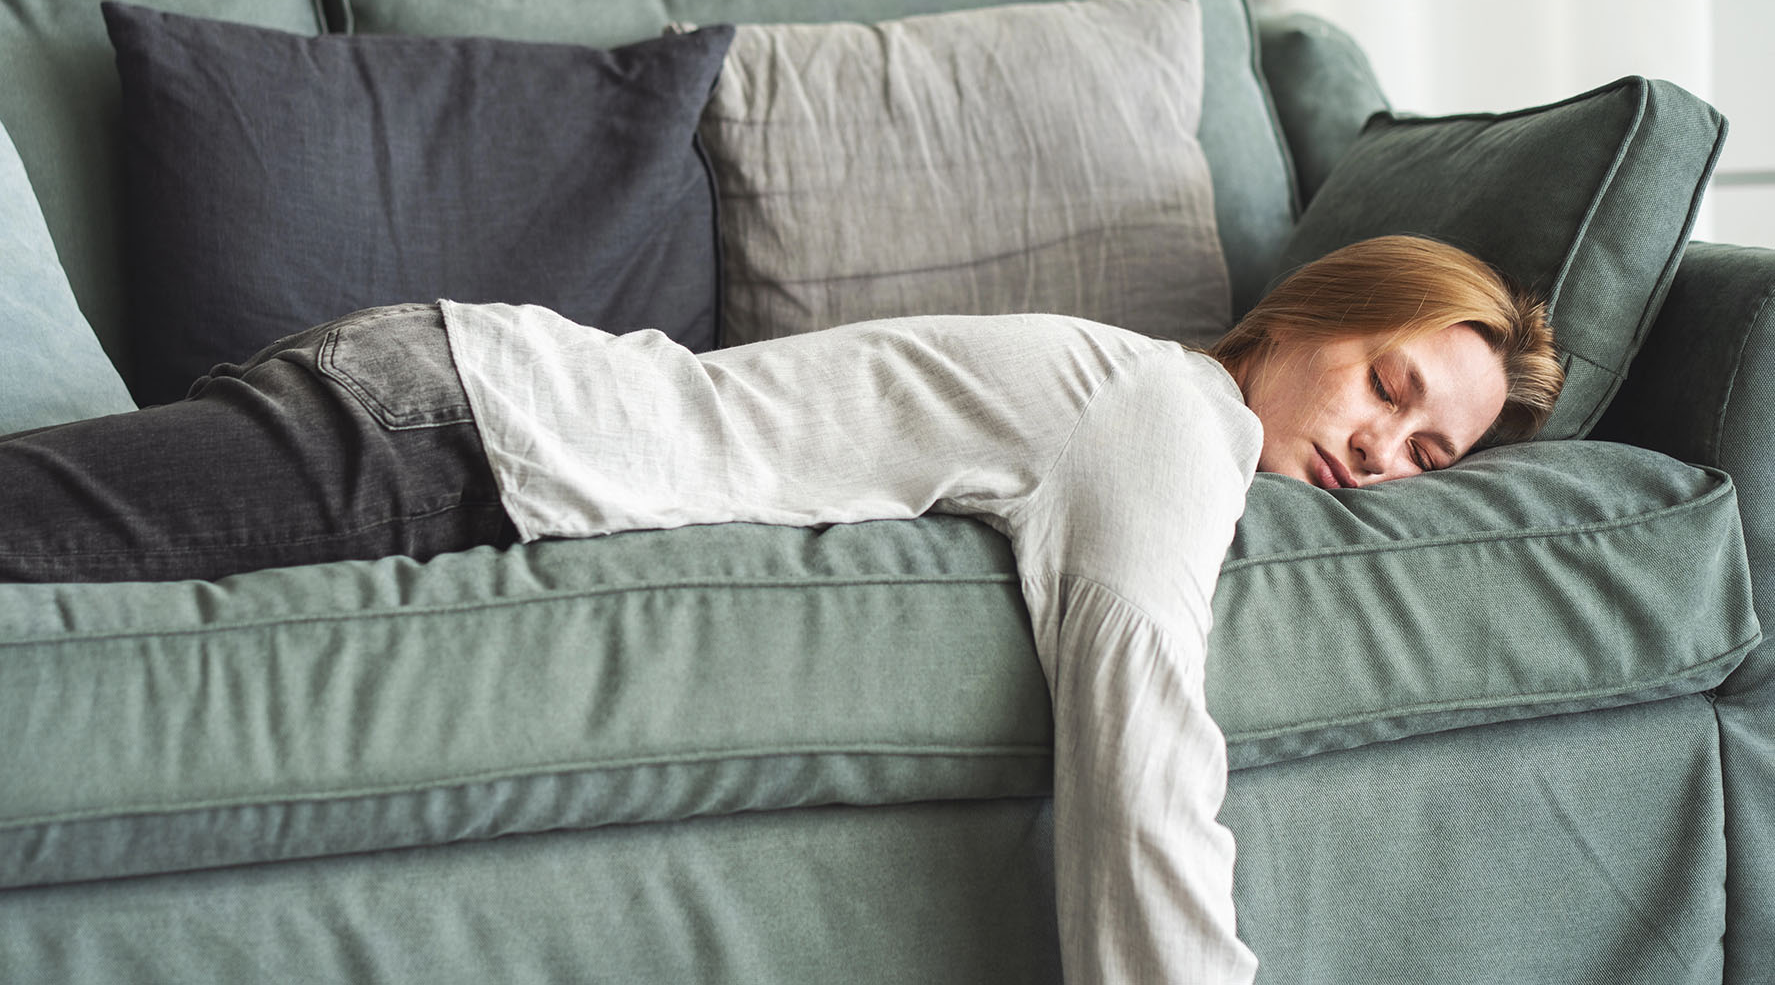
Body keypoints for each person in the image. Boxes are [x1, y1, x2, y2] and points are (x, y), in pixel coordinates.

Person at [0, 233, 1561, 983]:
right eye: (1386, 384)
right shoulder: (1167, 416)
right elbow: (1142, 735)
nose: (1378, 449)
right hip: (457, 435)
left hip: (447, 410)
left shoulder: (1147, 406)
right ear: (1306, 320)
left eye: (1426, 451)